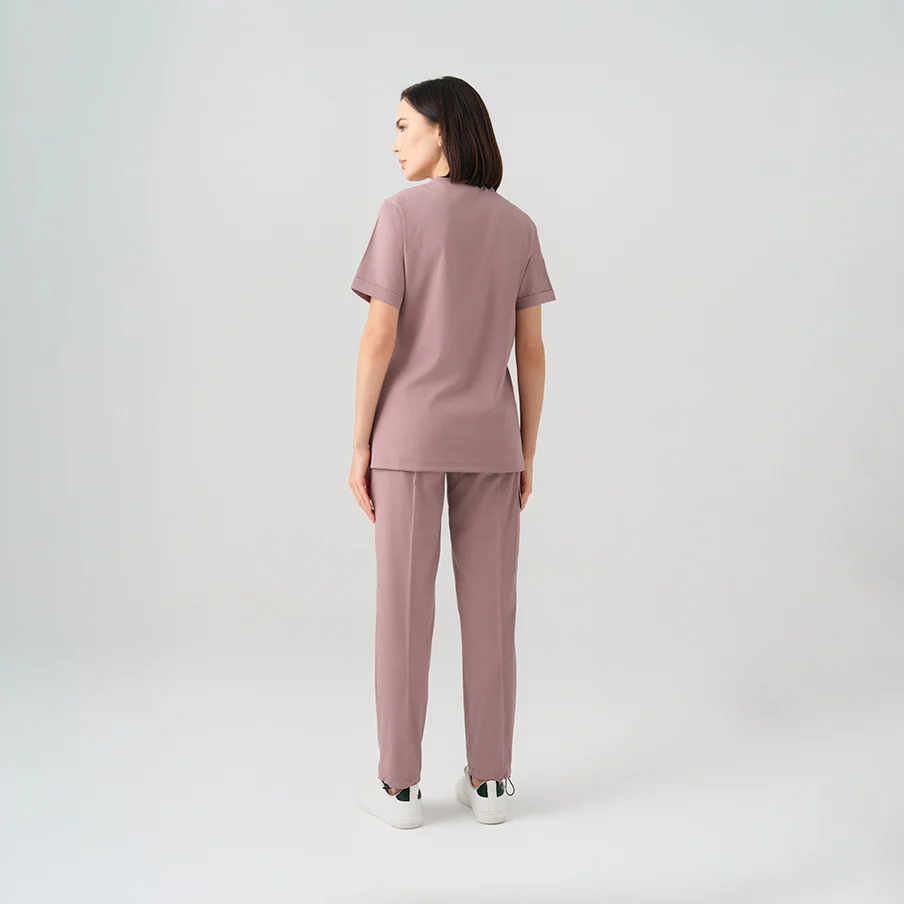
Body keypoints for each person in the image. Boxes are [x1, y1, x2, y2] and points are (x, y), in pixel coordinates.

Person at [350, 76, 556, 829]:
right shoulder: (518, 225)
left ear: (442, 131)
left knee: (403, 613)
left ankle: (400, 789)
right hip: (493, 442)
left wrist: (359, 442)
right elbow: (531, 351)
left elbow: (379, 336)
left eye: (404, 126)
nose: (395, 142)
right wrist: (526, 448)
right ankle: (493, 783)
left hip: (407, 439)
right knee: (492, 614)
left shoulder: (400, 216)